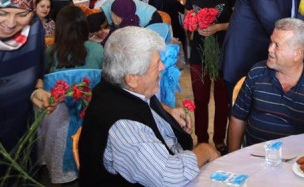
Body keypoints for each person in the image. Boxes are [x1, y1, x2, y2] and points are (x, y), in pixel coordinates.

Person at [78, 27, 220, 186]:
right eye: (157, 63)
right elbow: (170, 177)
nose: (163, 67)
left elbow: (143, 104)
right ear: (132, 78)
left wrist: (168, 112)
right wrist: (204, 150)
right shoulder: (123, 126)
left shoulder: (121, 87)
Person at [228, 18, 304, 150]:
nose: (269, 49)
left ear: (297, 54)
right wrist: (232, 158)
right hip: (254, 159)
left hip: (298, 164)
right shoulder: (257, 73)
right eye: (271, 42)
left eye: (277, 45)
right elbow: (237, 118)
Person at [0, 0, 52, 183]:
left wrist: (36, 90)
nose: (10, 23)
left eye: (21, 14)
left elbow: (37, 66)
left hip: (19, 128)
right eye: (1, 12)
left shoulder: (34, 27)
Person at [40, 5, 104, 184]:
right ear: (84, 26)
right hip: (91, 114)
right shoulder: (97, 50)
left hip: (57, 119)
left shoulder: (51, 52)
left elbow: (45, 83)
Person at [184, 0, 237, 154]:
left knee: (223, 99)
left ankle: (219, 139)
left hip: (224, 51)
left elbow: (240, 20)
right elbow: (188, 19)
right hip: (199, 53)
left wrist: (219, 27)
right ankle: (202, 140)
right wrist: (193, 25)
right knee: (200, 99)